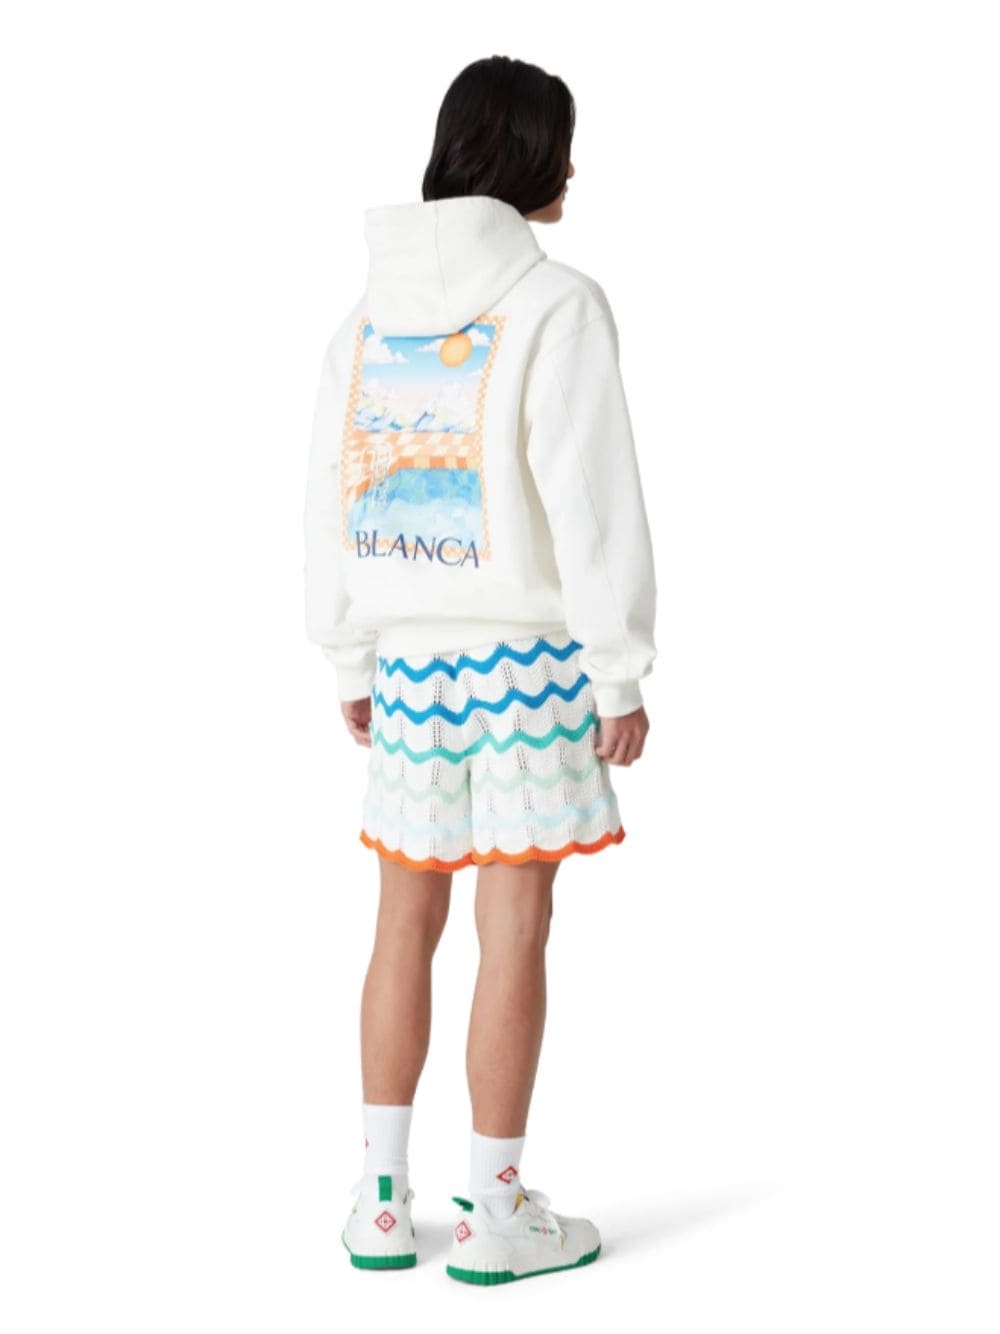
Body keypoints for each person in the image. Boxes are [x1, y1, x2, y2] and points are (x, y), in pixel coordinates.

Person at [303, 54, 657, 1284]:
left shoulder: (366, 317)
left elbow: (330, 495)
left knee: (400, 920)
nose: (574, 168)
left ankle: (380, 1201)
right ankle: (498, 1214)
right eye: (562, 146)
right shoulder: (556, 304)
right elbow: (589, 498)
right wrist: (619, 668)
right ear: (532, 160)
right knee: (515, 929)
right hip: (529, 667)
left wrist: (347, 649)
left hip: (408, 665)